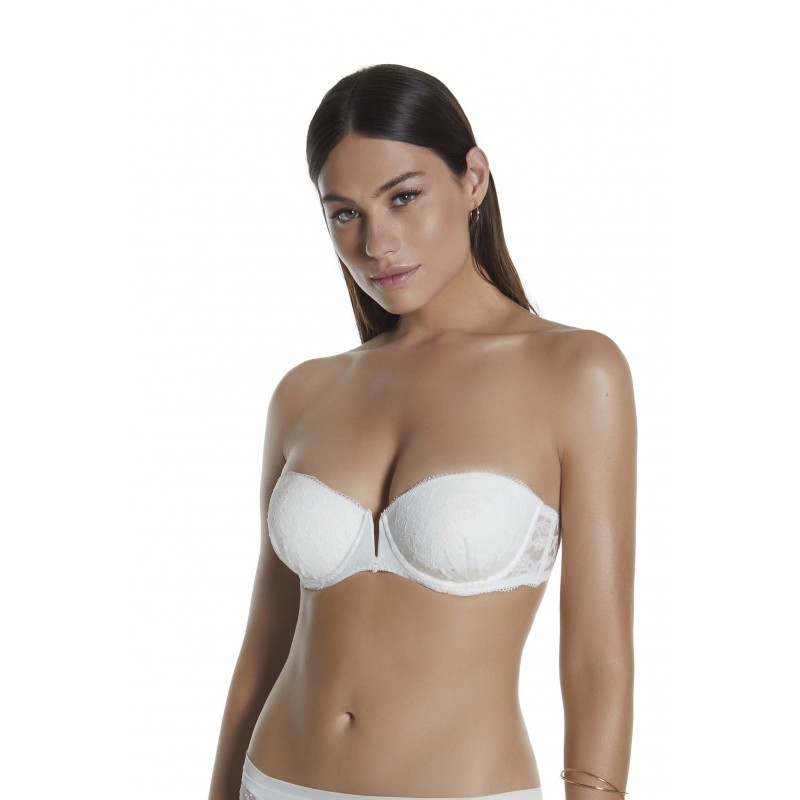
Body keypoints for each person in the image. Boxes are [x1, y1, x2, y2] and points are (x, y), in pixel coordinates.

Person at [208, 63, 636, 800]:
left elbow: (597, 659)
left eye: (403, 197)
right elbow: (264, 647)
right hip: (273, 781)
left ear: (473, 179)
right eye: (344, 214)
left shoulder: (575, 372)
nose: (378, 242)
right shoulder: (305, 392)